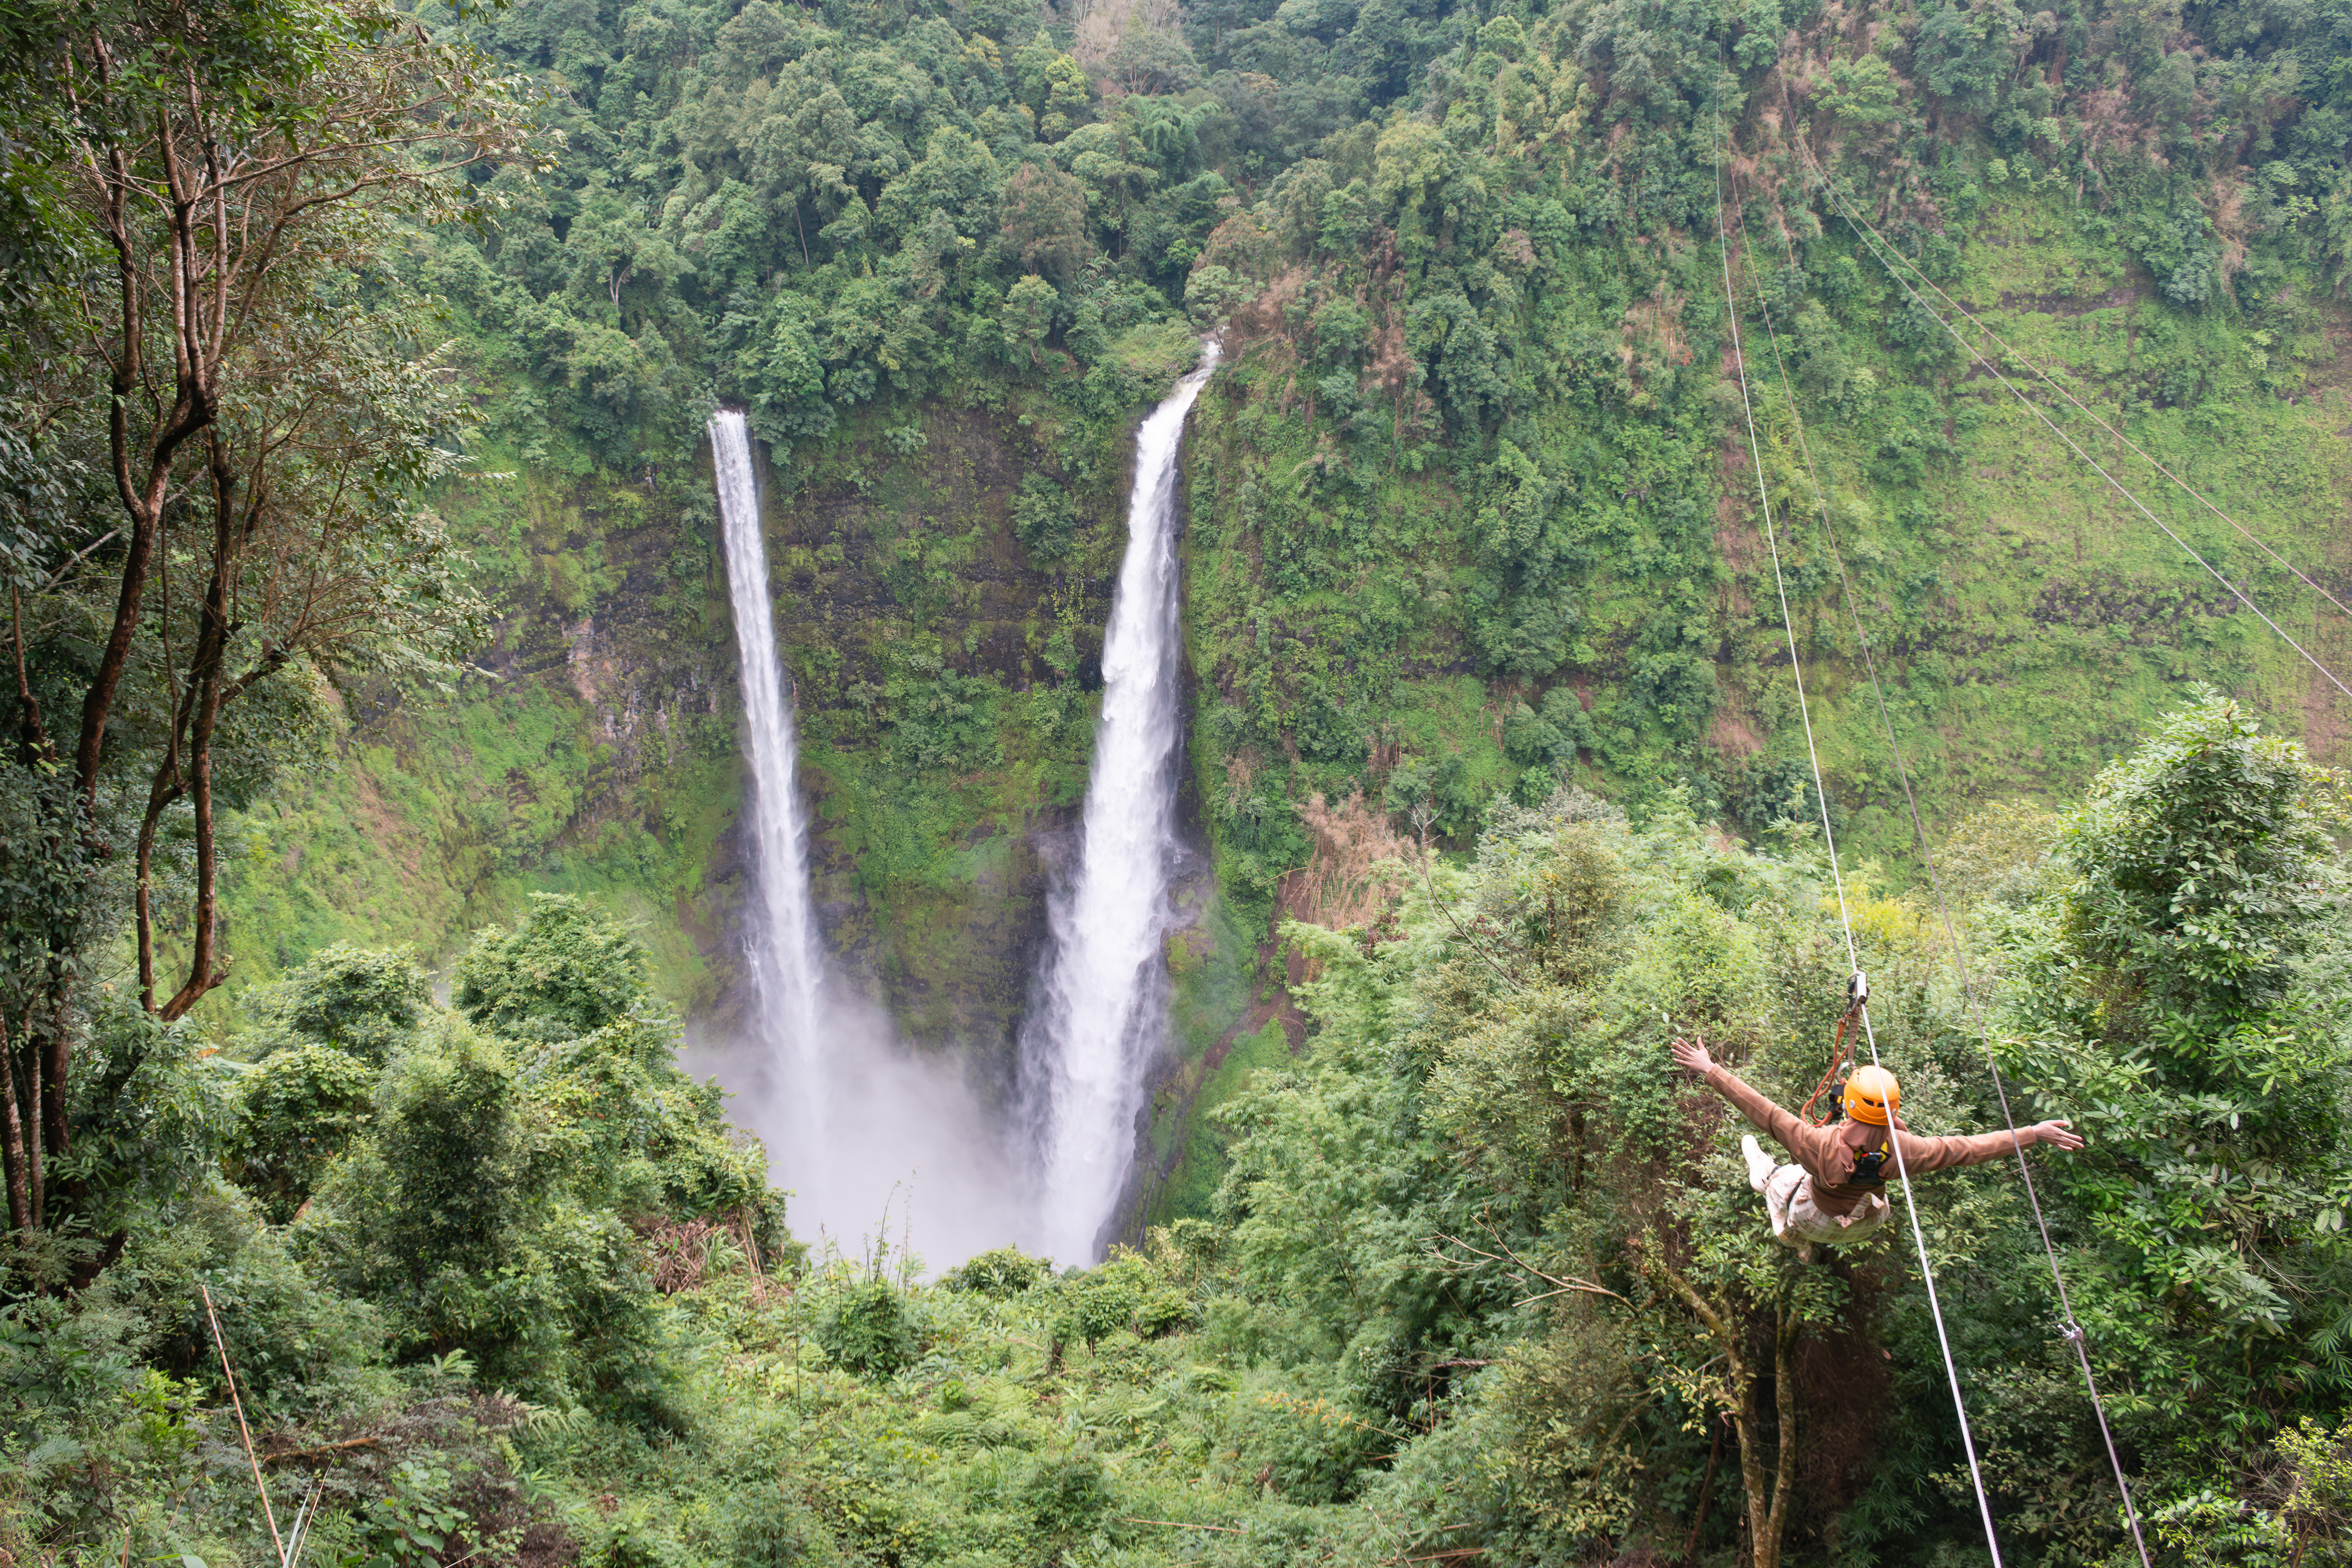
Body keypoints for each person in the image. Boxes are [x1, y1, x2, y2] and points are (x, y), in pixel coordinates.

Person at [1670, 1035, 2085, 1256]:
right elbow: (1969, 1147)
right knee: (1806, 1178)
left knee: (1775, 1177)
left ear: (1848, 1104)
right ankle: (1793, 1224)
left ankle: (1785, 1225)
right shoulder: (1906, 1149)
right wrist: (2033, 1132)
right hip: (1868, 1222)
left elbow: (1765, 1111)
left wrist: (1711, 1068)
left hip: (1814, 1217)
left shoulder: (1818, 1144)